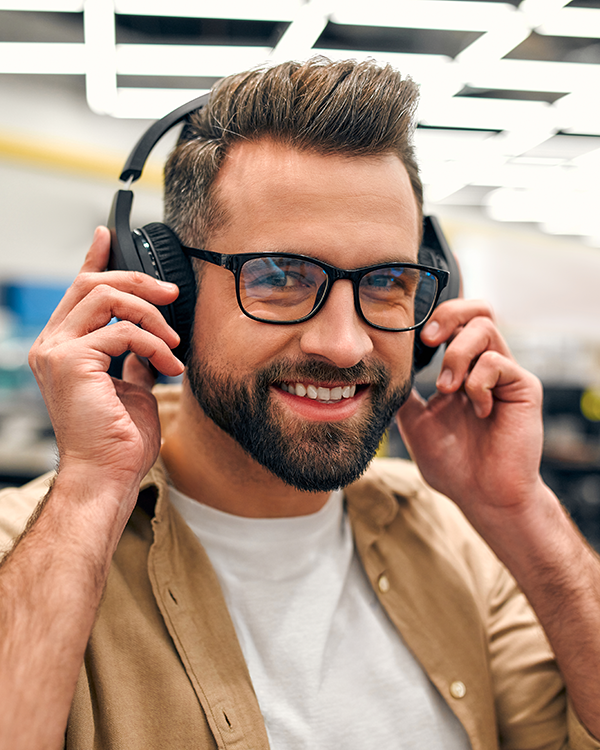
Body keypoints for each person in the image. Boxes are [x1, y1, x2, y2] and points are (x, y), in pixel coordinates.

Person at [0, 57, 599, 750]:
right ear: (169, 289)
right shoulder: (30, 545)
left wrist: (518, 511)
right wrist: (89, 492)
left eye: (388, 281)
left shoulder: (457, 538)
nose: (345, 345)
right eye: (279, 276)